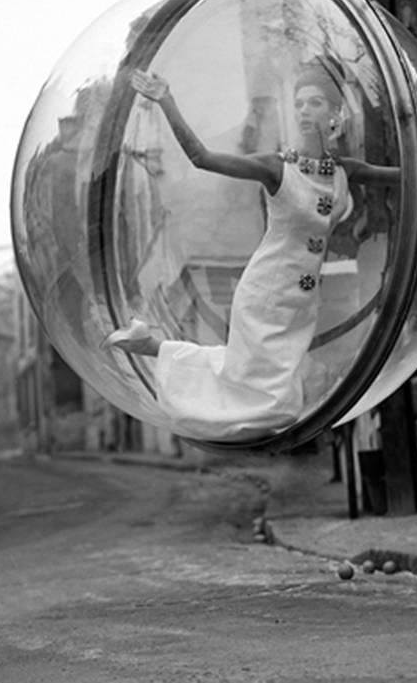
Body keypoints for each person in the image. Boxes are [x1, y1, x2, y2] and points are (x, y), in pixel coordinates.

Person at [102, 65, 398, 442]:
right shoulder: (277, 167)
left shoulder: (343, 172)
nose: (305, 111)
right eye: (299, 104)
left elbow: (405, 176)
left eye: (316, 103)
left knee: (254, 378)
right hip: (267, 291)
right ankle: (159, 353)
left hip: (302, 299)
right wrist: (167, 102)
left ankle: (150, 346)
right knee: (261, 390)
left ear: (336, 113)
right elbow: (202, 158)